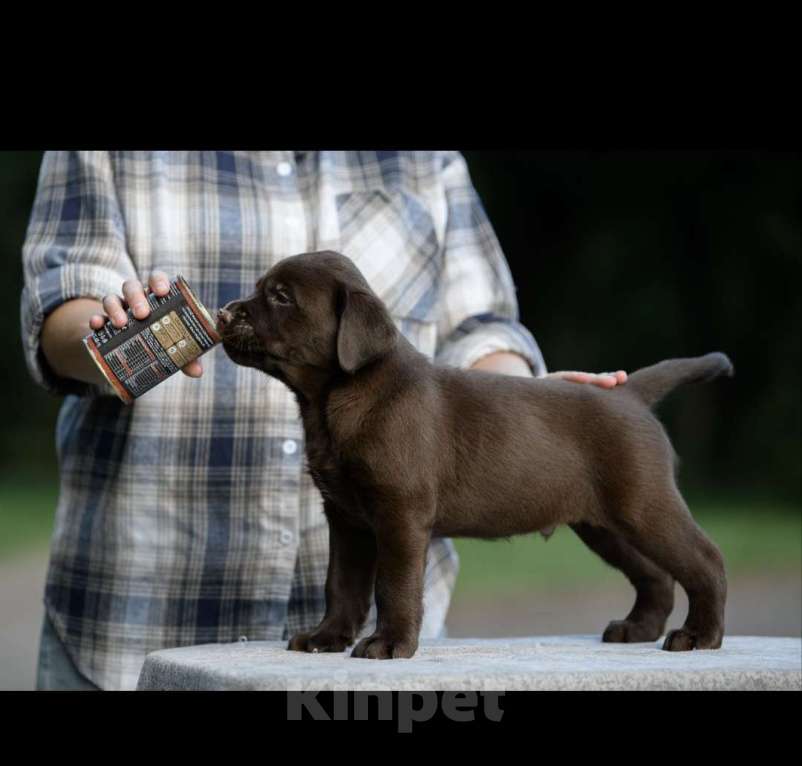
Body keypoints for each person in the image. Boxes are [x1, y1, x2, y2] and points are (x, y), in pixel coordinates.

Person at [21, 151, 627, 690]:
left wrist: (526, 412)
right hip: (138, 627)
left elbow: (480, 325)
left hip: (373, 666)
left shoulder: (425, 158)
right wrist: (113, 338)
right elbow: (60, 307)